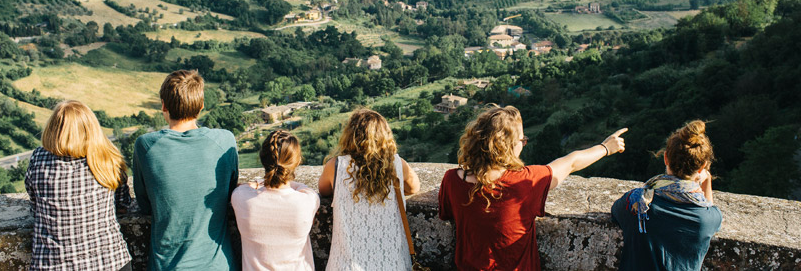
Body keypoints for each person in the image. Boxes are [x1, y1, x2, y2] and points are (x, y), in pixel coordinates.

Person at [438, 105, 627, 270]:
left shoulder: (451, 180)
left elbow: (449, 213)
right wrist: (605, 147)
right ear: (509, 146)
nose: (523, 144)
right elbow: (571, 162)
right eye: (522, 140)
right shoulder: (525, 182)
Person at [133, 70, 239, 270]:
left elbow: (145, 203)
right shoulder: (225, 141)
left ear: (163, 106)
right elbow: (230, 192)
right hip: (217, 265)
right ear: (201, 106)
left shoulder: (145, 146)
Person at [24, 100, 133, 270]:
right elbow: (123, 202)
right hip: (110, 262)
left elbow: (35, 204)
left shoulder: (39, 159)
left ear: (52, 129)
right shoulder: (108, 158)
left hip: (54, 265)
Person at [317, 108, 421, 270]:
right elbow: (414, 187)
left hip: (346, 266)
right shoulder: (397, 164)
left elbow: (323, 190)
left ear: (350, 136)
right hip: (391, 264)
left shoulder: (336, 166)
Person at [611, 120, 722, 271]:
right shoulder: (707, 219)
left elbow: (615, 212)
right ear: (702, 166)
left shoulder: (636, 202)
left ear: (665, 158)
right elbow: (708, 207)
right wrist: (707, 180)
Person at [231, 130, 320, 270]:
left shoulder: (241, 198)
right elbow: (303, 188)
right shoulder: (307, 201)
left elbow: (245, 188)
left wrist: (259, 182)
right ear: (297, 161)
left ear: (262, 159)